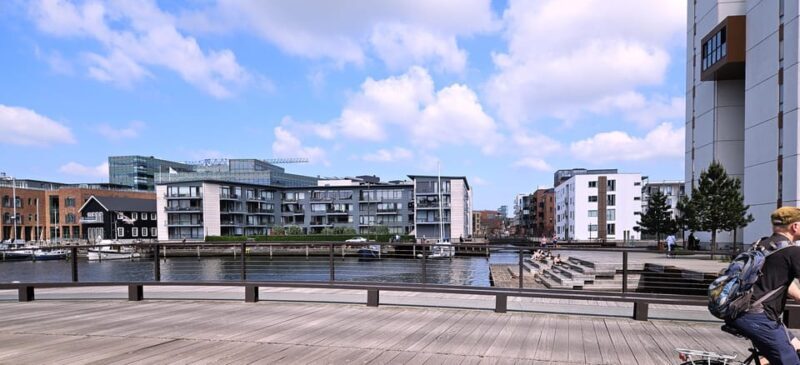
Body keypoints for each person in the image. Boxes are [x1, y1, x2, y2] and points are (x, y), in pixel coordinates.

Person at [725, 207, 800, 364]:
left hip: (741, 310)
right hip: (758, 317)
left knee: (795, 346)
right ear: (795, 226)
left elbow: (781, 282)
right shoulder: (793, 252)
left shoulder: (760, 245)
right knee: (791, 361)